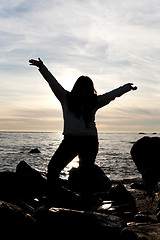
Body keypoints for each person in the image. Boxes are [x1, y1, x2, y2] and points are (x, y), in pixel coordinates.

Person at [29, 58, 137, 195]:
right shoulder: (65, 97)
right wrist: (42, 68)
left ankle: (85, 203)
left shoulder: (93, 102)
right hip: (71, 141)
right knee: (54, 168)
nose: (84, 91)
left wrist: (127, 88)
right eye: (82, 87)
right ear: (77, 87)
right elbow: (53, 82)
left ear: (90, 89)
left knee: (85, 175)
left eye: (86, 88)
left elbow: (112, 95)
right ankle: (54, 196)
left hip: (89, 142)